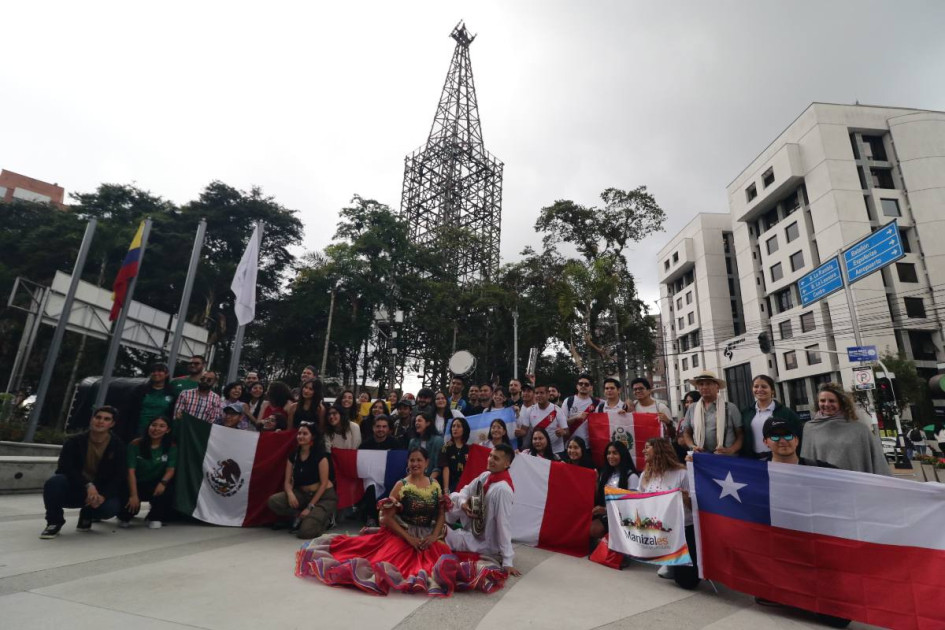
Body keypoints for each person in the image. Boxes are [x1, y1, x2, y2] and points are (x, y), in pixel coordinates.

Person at [297, 447, 508, 595]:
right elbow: (386, 518)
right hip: (403, 535)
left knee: (446, 566)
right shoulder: (401, 485)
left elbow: (441, 513)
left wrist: (434, 536)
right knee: (387, 566)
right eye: (412, 460)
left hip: (428, 536)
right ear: (408, 463)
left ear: (426, 463)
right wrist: (409, 539)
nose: (415, 463)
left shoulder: (435, 485)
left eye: (419, 460)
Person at [754, 418, 847, 626]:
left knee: (839, 620)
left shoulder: (822, 470)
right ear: (766, 441)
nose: (782, 441)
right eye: (775, 436)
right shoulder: (754, 473)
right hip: (775, 550)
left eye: (788, 435)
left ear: (797, 440)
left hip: (814, 550)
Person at [41, 406, 127, 539]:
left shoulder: (118, 445)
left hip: (99, 491)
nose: (101, 421)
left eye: (106, 419)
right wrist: (87, 485)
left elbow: (119, 475)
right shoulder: (74, 442)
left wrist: (103, 495)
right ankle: (54, 522)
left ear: (112, 424)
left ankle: (88, 514)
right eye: (98, 417)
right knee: (54, 482)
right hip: (77, 487)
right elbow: (65, 468)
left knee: (110, 508)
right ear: (92, 419)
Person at [444, 444, 520, 576]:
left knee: (442, 535)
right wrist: (463, 504)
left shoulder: (503, 490)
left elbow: (503, 524)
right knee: (454, 498)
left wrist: (507, 561)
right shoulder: (486, 476)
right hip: (473, 529)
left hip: (486, 543)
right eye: (490, 456)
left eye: (496, 458)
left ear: (506, 463)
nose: (490, 460)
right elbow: (466, 490)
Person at [637, 438, 698, 588]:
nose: (643, 451)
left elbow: (697, 509)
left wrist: (685, 499)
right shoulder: (645, 475)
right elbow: (639, 501)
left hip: (683, 530)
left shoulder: (682, 474)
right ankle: (668, 561)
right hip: (659, 530)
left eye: (647, 447)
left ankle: (676, 564)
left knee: (687, 583)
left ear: (659, 450)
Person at [800, 383, 890, 474]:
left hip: (853, 483)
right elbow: (806, 461)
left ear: (841, 403)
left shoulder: (860, 430)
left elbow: (877, 461)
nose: (826, 404)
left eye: (832, 401)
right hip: (823, 484)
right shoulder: (810, 428)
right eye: (822, 401)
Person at [268, 422, 337, 538]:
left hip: (323, 496)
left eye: (305, 434)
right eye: (299, 433)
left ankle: (328, 519)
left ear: (313, 436)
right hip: (302, 494)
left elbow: (324, 483)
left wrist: (310, 507)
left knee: (305, 532)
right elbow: (287, 481)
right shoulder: (293, 455)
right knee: (273, 501)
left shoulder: (321, 455)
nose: (300, 436)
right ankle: (300, 517)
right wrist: (290, 494)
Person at [119, 416, 177, 529]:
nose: (156, 429)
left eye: (161, 426)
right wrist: (133, 495)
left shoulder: (171, 446)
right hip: (135, 483)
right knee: (125, 518)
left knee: (168, 491)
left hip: (155, 483)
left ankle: (154, 516)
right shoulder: (135, 444)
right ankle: (125, 513)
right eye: (154, 425)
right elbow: (130, 471)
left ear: (168, 430)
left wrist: (163, 483)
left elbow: (171, 469)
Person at [679, 371, 743, 456]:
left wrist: (731, 450)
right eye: (701, 384)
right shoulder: (692, 408)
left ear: (717, 387)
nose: (704, 387)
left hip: (727, 459)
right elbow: (686, 432)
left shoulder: (730, 408)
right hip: (702, 457)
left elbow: (741, 435)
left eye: (708, 384)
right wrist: (692, 446)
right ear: (698, 387)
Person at [741, 375, 802, 459]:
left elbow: (798, 436)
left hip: (779, 460)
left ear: (772, 390)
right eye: (756, 386)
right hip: (753, 461)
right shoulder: (746, 413)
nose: (759, 389)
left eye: (764, 386)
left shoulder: (786, 413)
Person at [589, 441, 640, 542]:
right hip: (603, 514)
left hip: (622, 517)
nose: (610, 456)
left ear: (622, 455)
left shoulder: (632, 476)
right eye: (609, 453)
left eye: (615, 453)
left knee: (594, 529)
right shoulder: (605, 473)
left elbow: (631, 505)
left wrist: (606, 510)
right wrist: (595, 482)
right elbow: (599, 497)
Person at [358, 415, 400, 526]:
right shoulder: (365, 445)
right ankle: (371, 517)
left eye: (384, 426)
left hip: (388, 476)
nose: (381, 429)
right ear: (373, 428)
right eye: (378, 426)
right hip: (371, 477)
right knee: (370, 486)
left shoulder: (395, 444)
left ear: (388, 429)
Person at [125, 362, 175, 442]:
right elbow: (128, 410)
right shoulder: (139, 390)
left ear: (166, 374)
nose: (156, 373)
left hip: (159, 433)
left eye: (159, 371)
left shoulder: (172, 393)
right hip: (138, 430)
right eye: (153, 371)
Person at [522, 385, 567, 453]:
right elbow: (523, 431)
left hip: (555, 451)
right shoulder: (529, 410)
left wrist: (563, 432)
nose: (539, 395)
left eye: (542, 393)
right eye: (536, 393)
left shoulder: (557, 410)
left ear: (548, 395)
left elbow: (567, 431)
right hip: (538, 452)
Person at [562, 374, 601, 438]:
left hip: (590, 444)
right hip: (571, 444)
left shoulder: (597, 403)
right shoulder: (568, 401)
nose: (583, 386)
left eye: (586, 384)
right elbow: (562, 423)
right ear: (577, 386)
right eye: (581, 384)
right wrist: (576, 417)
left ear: (591, 387)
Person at [440, 417, 470, 493]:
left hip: (466, 487)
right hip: (451, 485)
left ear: (464, 429)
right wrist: (446, 490)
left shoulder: (469, 449)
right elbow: (445, 468)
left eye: (458, 426)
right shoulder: (446, 448)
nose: (455, 428)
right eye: (453, 426)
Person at [408, 413, 444, 478]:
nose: (416, 423)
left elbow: (437, 467)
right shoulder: (412, 442)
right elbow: (409, 465)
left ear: (428, 423)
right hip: (415, 478)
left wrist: (428, 483)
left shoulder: (438, 441)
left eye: (419, 420)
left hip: (432, 480)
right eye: (415, 421)